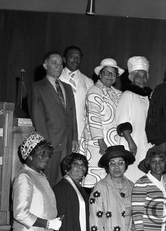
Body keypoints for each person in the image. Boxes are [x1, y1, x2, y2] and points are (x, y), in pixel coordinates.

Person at [28, 51, 78, 186]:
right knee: (48, 181)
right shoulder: (37, 87)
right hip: (51, 143)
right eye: (54, 63)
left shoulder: (67, 88)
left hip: (67, 142)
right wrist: (46, 145)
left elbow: (72, 114)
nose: (58, 66)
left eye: (61, 64)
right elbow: (38, 117)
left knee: (64, 181)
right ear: (45, 65)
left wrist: (74, 138)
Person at [10, 132, 63, 231]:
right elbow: (20, 213)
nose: (47, 158)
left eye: (49, 155)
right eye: (42, 154)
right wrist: (48, 223)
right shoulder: (24, 176)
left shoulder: (39, 175)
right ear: (30, 156)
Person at [81, 58, 124, 188]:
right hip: (98, 142)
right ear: (100, 74)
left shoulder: (116, 93)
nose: (110, 76)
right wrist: (100, 140)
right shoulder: (94, 91)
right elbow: (93, 117)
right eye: (106, 73)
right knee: (95, 178)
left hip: (112, 141)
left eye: (113, 73)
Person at [126, 145, 166, 231]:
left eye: (161, 161)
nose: (158, 165)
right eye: (154, 161)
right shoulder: (142, 183)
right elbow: (137, 216)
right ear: (149, 163)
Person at [90, 145, 135, 231]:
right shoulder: (100, 187)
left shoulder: (132, 186)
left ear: (126, 166)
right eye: (112, 163)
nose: (116, 167)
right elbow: (95, 216)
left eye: (120, 163)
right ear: (107, 166)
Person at [116, 56, 153, 183]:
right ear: (132, 77)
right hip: (131, 144)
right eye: (138, 76)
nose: (141, 80)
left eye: (144, 76)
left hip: (144, 145)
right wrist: (131, 143)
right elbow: (122, 122)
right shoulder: (127, 95)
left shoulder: (148, 97)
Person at [53, 153, 91, 231]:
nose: (81, 167)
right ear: (67, 169)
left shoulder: (77, 187)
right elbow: (65, 219)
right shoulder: (63, 189)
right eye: (75, 164)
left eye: (83, 164)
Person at [59, 45, 94, 144]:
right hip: (60, 132)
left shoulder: (88, 82)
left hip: (81, 132)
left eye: (78, 57)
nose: (76, 60)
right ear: (64, 59)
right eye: (72, 57)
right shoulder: (57, 78)